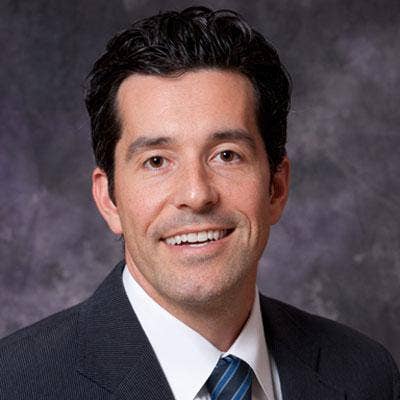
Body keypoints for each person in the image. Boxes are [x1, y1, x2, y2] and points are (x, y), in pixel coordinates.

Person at [0, 6, 399, 400]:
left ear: (276, 188)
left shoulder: (366, 374)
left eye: (226, 155)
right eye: (156, 161)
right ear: (109, 199)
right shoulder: (16, 384)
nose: (196, 194)